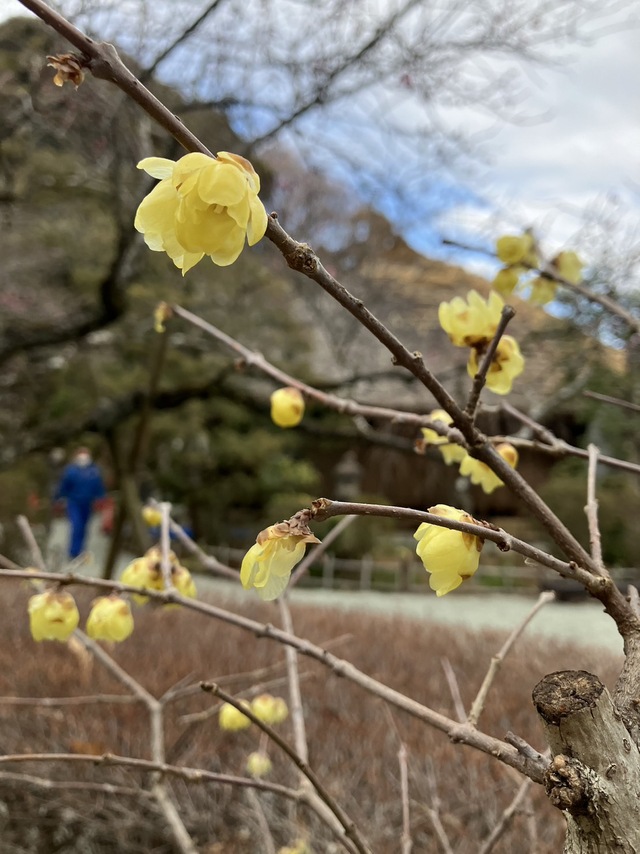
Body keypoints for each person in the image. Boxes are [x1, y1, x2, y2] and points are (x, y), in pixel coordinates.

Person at [54, 448, 106, 559]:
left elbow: (98, 487)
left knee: (84, 527)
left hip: (87, 504)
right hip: (74, 503)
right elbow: (63, 486)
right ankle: (73, 552)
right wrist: (58, 498)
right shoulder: (71, 471)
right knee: (76, 525)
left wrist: (101, 498)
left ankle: (81, 550)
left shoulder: (93, 471)